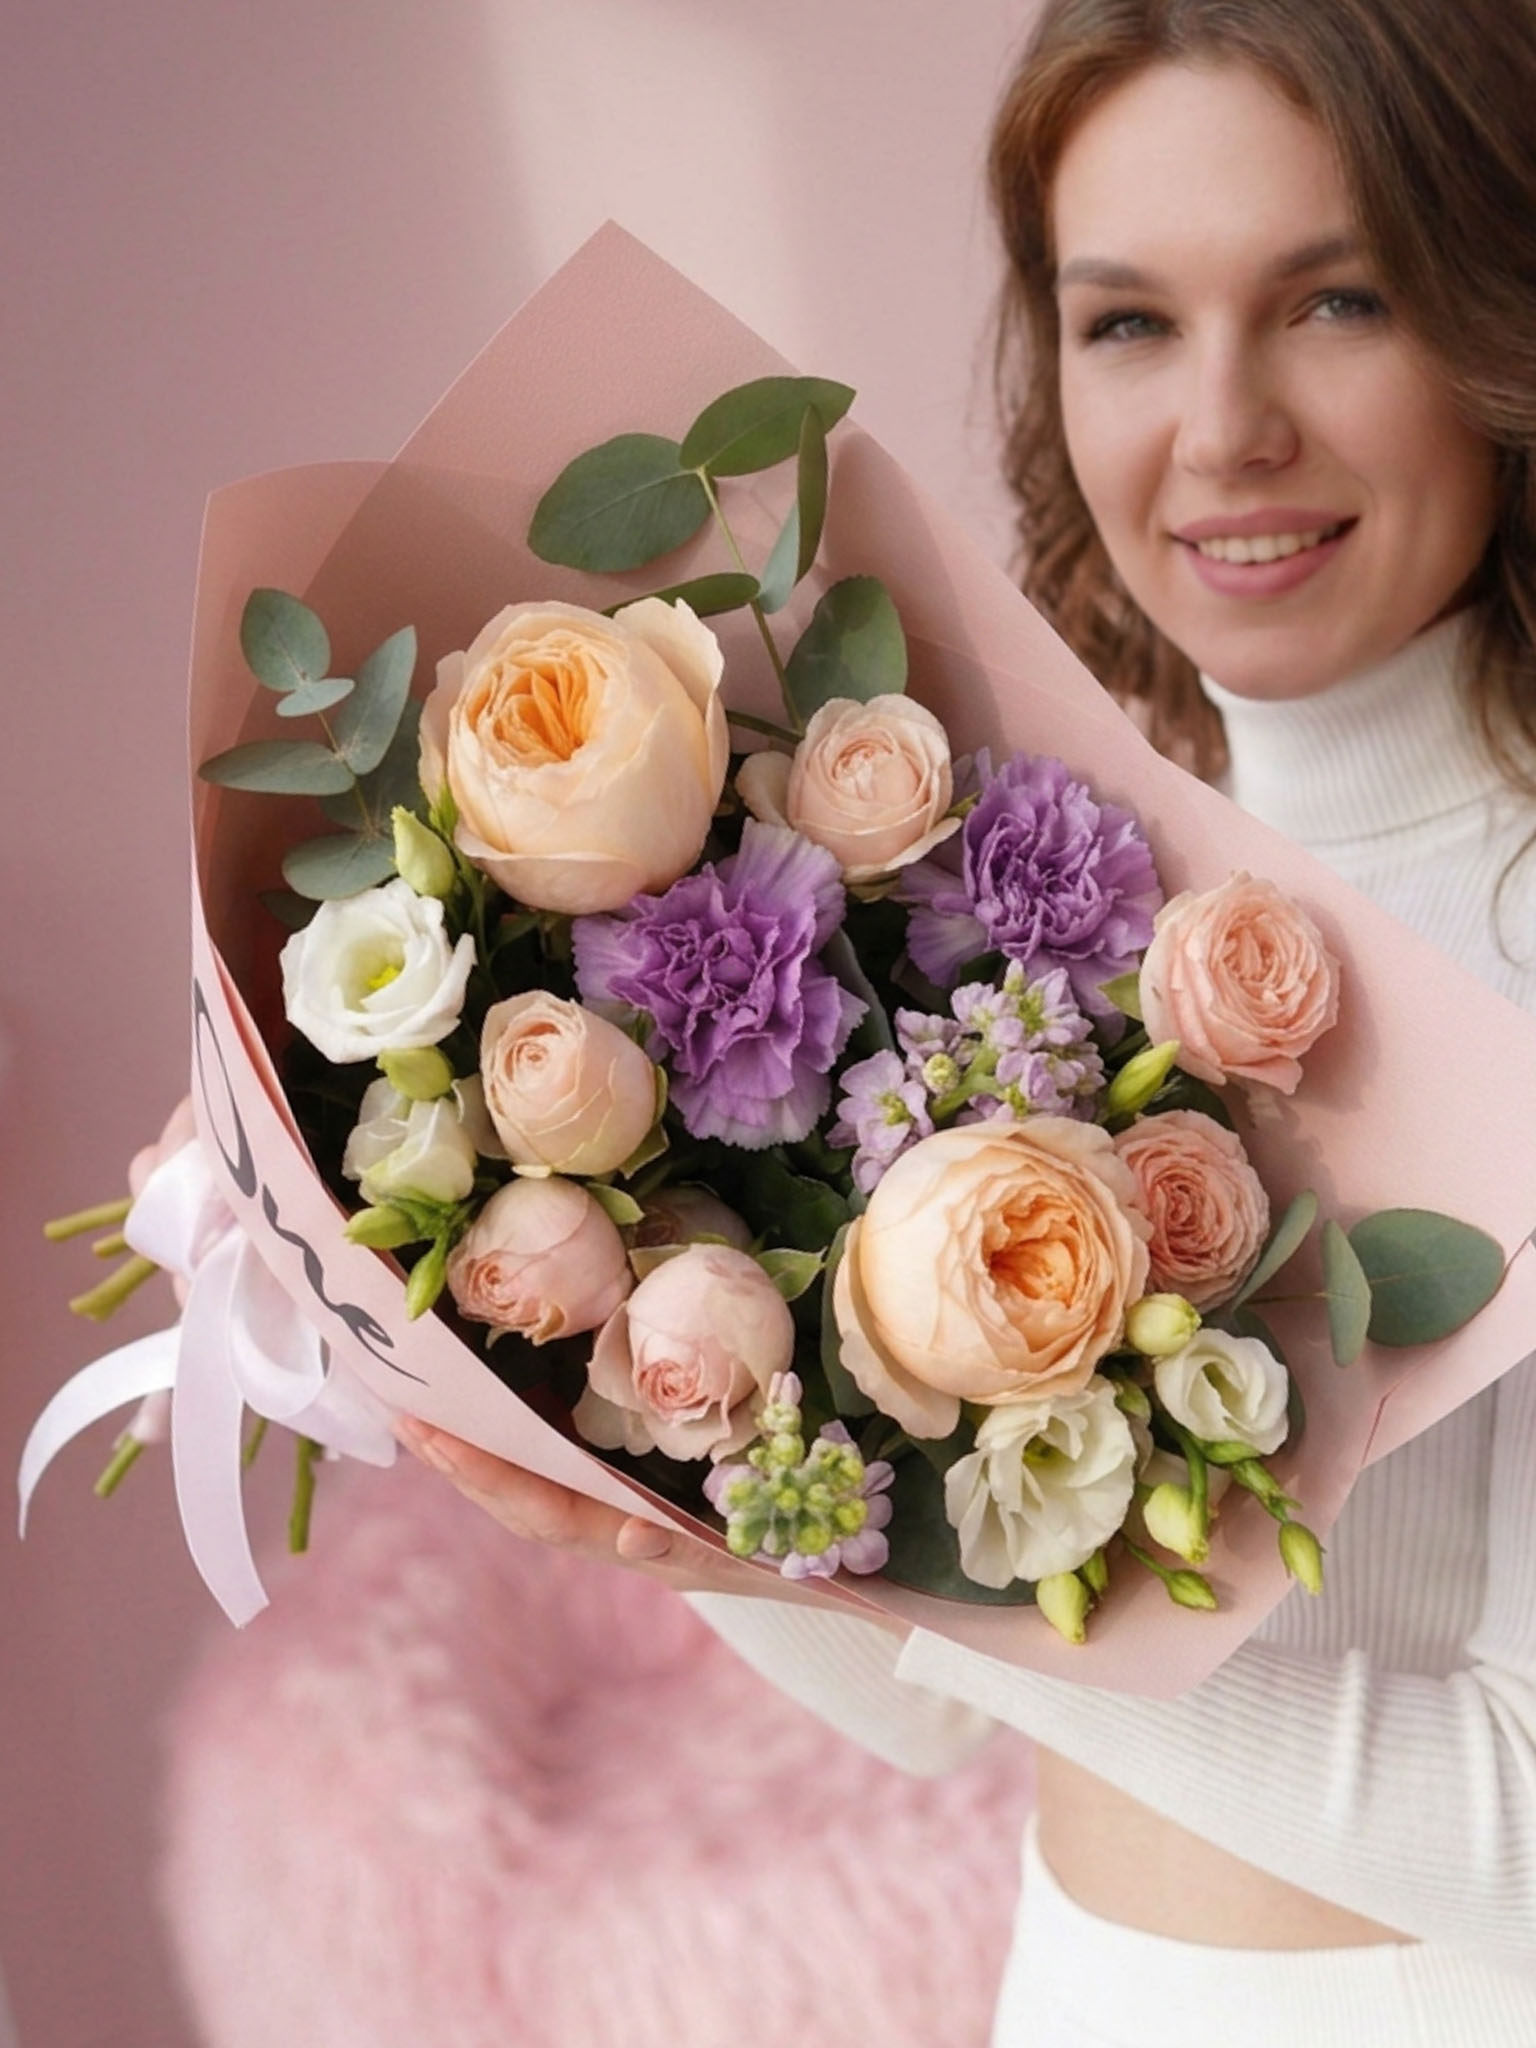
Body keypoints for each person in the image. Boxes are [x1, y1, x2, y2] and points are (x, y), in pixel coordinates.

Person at [391, 1, 1536, 2037]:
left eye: (1335, 300)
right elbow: (937, 1699)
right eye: (1130, 322)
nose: (1225, 428)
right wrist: (650, 1464)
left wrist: (944, 1622)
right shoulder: (1050, 899)